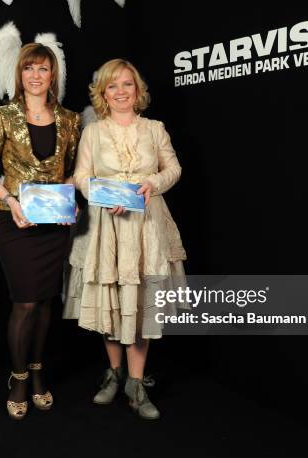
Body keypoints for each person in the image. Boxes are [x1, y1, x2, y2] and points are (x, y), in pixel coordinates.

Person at [63, 59, 186, 420]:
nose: (120, 92)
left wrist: (153, 184)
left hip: (147, 225)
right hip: (108, 225)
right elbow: (81, 177)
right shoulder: (94, 132)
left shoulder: (155, 128)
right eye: (112, 86)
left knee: (141, 298)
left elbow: (174, 168)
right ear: (103, 93)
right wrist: (104, 195)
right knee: (112, 296)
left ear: (138, 91)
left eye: (127, 85)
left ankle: (135, 382)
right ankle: (114, 374)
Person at [0, 43, 80, 420]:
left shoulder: (70, 120)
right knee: (26, 302)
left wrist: (71, 201)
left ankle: (37, 371)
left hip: (54, 224)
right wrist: (12, 200)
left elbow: (69, 172)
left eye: (43, 69)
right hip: (15, 221)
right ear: (20, 74)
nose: (36, 75)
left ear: (53, 75)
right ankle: (18, 378)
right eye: (29, 69)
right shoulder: (2, 116)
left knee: (46, 300)